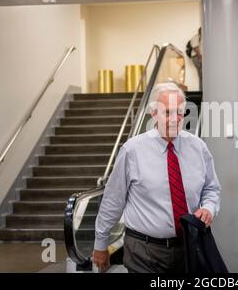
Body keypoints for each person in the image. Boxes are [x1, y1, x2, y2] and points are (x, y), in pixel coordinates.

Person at [92, 82, 221, 273]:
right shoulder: (132, 150)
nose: (174, 119)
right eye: (167, 112)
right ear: (153, 114)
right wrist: (100, 243)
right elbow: (113, 201)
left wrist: (208, 208)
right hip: (143, 252)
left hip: (189, 247)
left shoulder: (198, 148)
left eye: (179, 112)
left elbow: (211, 189)